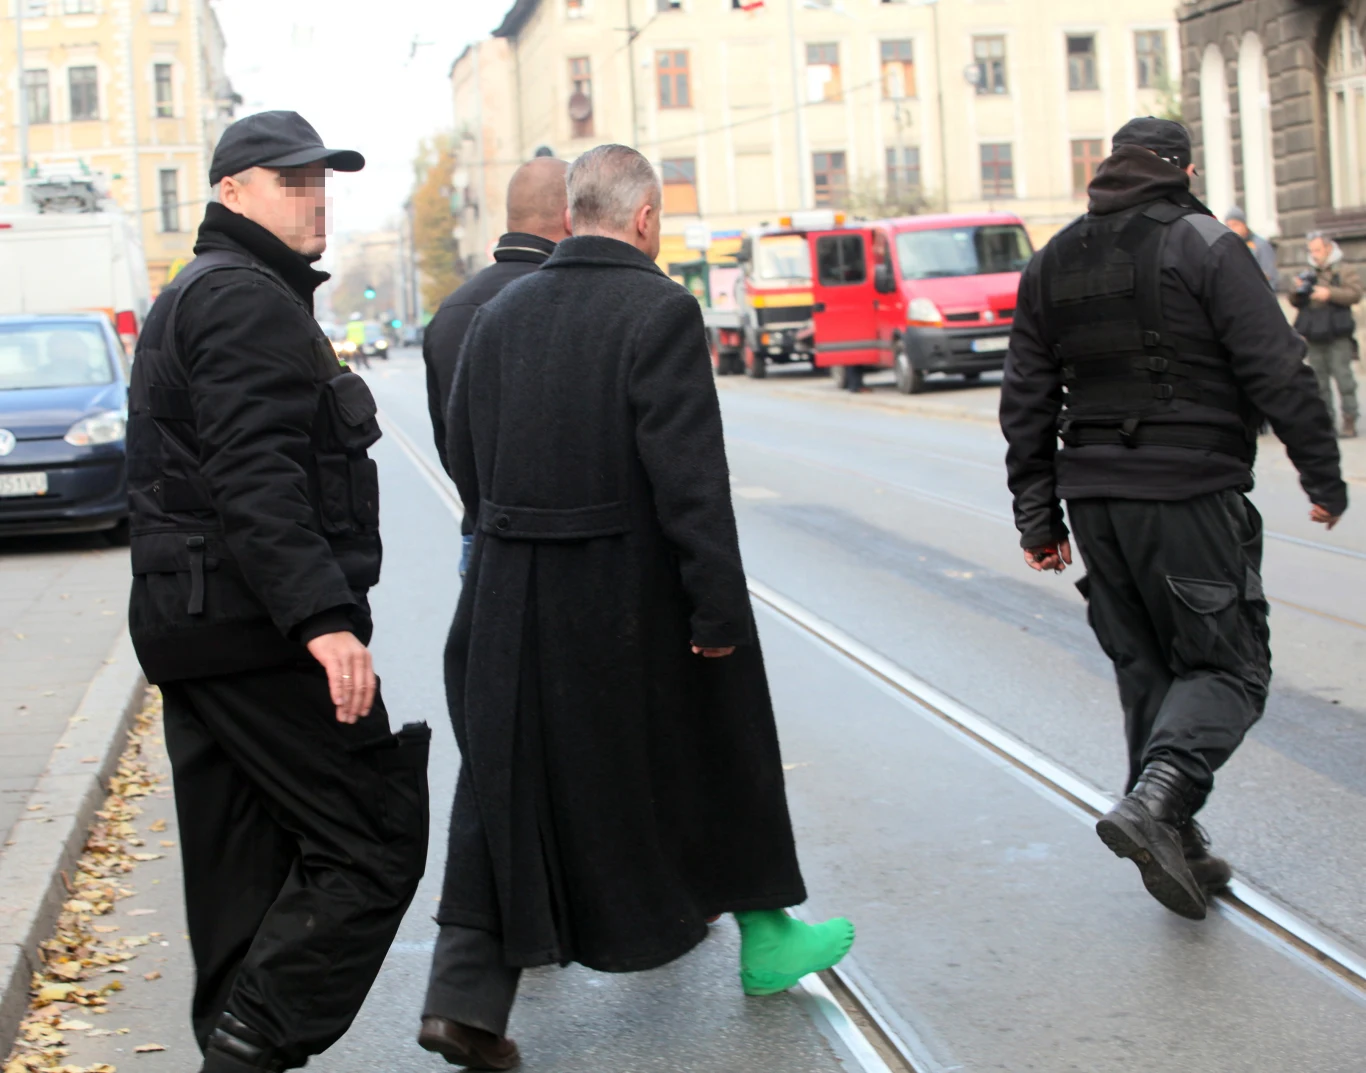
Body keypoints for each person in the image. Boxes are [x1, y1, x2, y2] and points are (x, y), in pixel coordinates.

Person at [420, 144, 853, 1069]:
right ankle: (766, 937)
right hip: (625, 594)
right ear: (646, 217)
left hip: (507, 593)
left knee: (503, 786)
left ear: (575, 213)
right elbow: (691, 486)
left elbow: (463, 449)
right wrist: (717, 615)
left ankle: (463, 997)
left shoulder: (500, 313)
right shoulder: (658, 309)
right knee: (720, 738)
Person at [125, 110, 429, 1073]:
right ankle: (250, 1050)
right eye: (291, 179)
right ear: (233, 193)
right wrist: (325, 621)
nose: (315, 195)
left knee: (240, 873)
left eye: (321, 179)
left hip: (198, 620)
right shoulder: (246, 301)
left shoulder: (211, 292)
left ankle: (234, 1049)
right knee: (374, 836)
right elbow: (254, 478)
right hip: (253, 629)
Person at [1001, 117, 1346, 922]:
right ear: (1183, 168)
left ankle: (1177, 842)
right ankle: (1157, 806)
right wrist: (1322, 475)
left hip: (1094, 501)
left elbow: (1026, 396)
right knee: (1230, 668)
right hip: (1187, 491)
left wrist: (1036, 516)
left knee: (1150, 673)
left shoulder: (1052, 260)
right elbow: (1277, 368)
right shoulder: (1203, 244)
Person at [421, 156, 571, 575]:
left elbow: (449, 441)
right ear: (570, 217)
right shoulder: (574, 300)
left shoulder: (451, 310)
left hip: (483, 535)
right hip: (568, 544)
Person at [1290, 231, 1364, 438]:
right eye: (1311, 251)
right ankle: (1326, 421)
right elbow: (1295, 301)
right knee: (1318, 381)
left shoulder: (1344, 270)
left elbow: (1356, 294)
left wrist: (1329, 293)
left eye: (1318, 250)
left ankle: (1350, 418)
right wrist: (1299, 290)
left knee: (1344, 378)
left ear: (1328, 249)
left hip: (1337, 334)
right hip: (1315, 334)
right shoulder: (1308, 272)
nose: (1314, 255)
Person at [1224, 206, 1279, 289]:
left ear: (1244, 224)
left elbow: (1269, 274)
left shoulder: (1260, 245)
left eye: (1235, 225)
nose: (1232, 229)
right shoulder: (1228, 247)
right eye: (1228, 225)